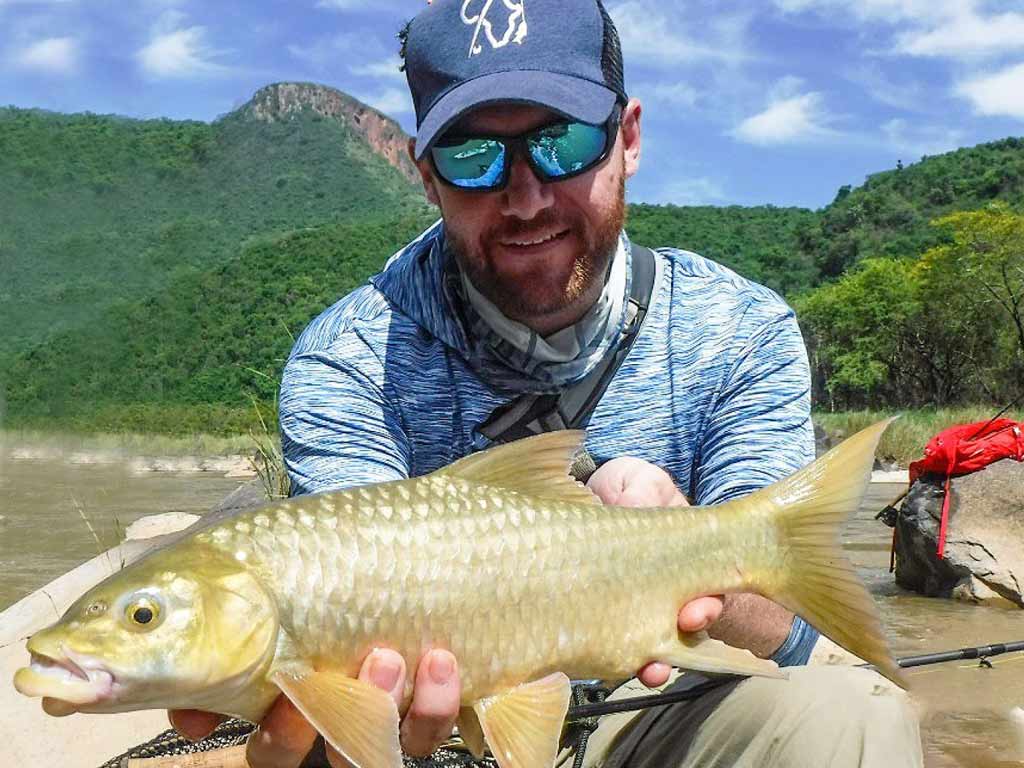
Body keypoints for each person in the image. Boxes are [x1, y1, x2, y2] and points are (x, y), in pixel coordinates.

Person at [170, 0, 923, 765]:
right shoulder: (347, 360)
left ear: (627, 139)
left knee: (853, 713)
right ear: (426, 175)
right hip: (441, 736)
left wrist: (689, 559)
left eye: (562, 143)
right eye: (473, 158)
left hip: (660, 706)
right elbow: (347, 638)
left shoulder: (740, 330)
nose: (526, 198)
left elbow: (791, 640)